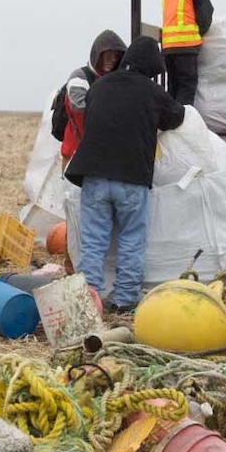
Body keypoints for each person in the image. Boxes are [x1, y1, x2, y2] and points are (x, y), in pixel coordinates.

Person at [65, 36, 185, 313]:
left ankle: (89, 300)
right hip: (131, 178)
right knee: (131, 238)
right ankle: (124, 299)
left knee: (93, 241)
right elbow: (175, 117)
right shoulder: (151, 91)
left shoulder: (101, 86)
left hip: (93, 175)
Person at [60, 30, 127, 169]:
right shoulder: (79, 77)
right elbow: (79, 107)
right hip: (76, 154)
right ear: (97, 55)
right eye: (107, 55)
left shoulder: (117, 80)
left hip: (103, 156)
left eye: (116, 56)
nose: (112, 60)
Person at [161, 0, 214, 105]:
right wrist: (200, 33)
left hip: (168, 47)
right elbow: (205, 18)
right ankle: (182, 125)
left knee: (173, 88)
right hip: (186, 46)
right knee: (187, 87)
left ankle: (169, 125)